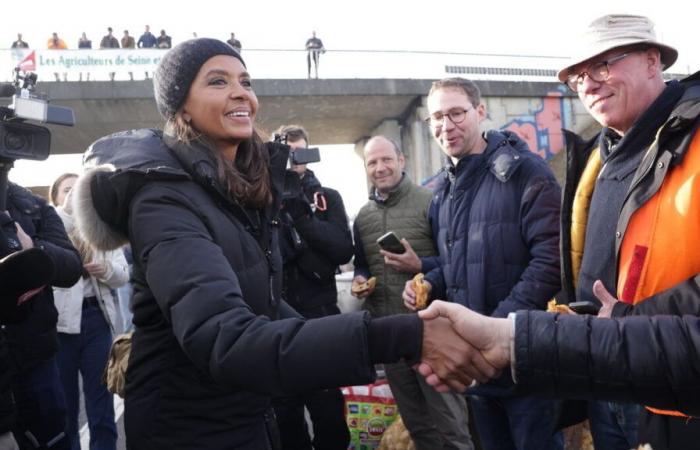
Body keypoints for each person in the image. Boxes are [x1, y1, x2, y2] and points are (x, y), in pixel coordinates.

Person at [69, 38, 485, 449]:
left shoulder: (239, 192)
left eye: (245, 81)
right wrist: (405, 337)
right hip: (189, 429)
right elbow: (228, 341)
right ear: (181, 108)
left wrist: (396, 336)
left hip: (246, 417)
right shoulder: (163, 200)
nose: (240, 93)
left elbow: (270, 309)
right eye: (217, 81)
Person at [553, 13, 700, 450]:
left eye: (603, 65)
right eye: (578, 77)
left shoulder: (691, 136)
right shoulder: (598, 157)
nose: (589, 84)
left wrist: (630, 321)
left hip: (677, 394)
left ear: (653, 61)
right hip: (606, 376)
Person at [403, 77, 563, 450]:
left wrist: (495, 329)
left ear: (479, 111)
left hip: (525, 356)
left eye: (456, 112)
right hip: (475, 364)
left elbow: (550, 262)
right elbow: (456, 265)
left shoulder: (526, 172)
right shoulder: (442, 190)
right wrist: (428, 282)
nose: (447, 125)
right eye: (437, 117)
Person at [352, 135, 474, 450]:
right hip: (389, 336)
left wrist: (420, 265)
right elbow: (363, 264)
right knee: (418, 427)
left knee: (452, 427)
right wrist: (360, 280)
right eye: (372, 162)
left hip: (432, 333)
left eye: (386, 159)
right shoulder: (363, 217)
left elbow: (457, 265)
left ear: (401, 160)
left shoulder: (431, 202)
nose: (380, 168)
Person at [416, 300, 700, 416]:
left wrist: (506, 332)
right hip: (600, 362)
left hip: (660, 398)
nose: (379, 168)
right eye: (371, 166)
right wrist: (508, 337)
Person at [270, 125, 353, 449]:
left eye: (300, 154)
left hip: (320, 315)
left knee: (329, 412)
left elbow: (343, 250)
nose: (295, 162)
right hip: (276, 319)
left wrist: (301, 216)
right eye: (288, 155)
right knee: (285, 415)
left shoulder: (326, 198)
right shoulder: (264, 199)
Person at [50, 173, 129, 450]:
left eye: (78, 190)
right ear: (56, 198)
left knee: (101, 403)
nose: (73, 195)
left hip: (96, 320)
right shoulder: (52, 226)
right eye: (67, 190)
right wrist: (69, 209)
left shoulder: (99, 227)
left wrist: (105, 270)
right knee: (65, 406)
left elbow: (122, 275)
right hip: (60, 327)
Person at [3, 182, 82, 450]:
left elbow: (72, 267)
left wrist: (34, 250)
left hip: (37, 360)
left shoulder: (32, 205)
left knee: (55, 438)